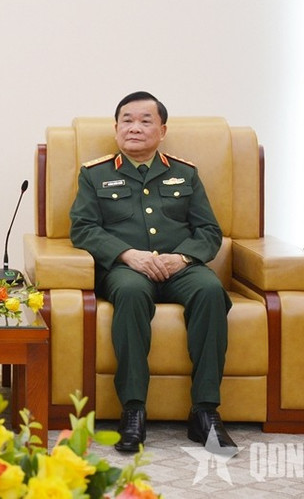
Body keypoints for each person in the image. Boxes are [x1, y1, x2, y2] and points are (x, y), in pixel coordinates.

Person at [69, 91, 236, 453]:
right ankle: (133, 410)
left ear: (162, 130)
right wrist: (127, 255)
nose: (135, 128)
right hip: (126, 269)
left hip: (180, 268)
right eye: (127, 120)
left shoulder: (185, 173)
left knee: (210, 290)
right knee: (130, 293)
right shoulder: (95, 174)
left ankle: (205, 412)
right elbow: (83, 229)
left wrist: (183, 258)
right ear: (116, 128)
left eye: (145, 121)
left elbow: (209, 231)